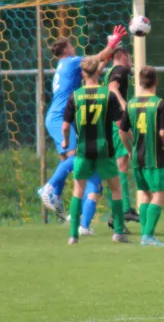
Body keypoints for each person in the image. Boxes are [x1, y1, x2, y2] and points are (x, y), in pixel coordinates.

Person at [38, 26, 127, 220]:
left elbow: (93, 71)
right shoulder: (71, 62)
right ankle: (50, 187)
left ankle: (57, 196)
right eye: (71, 45)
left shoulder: (65, 66)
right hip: (59, 118)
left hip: (57, 116)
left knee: (70, 158)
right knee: (77, 155)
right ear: (66, 50)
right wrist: (111, 44)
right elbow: (97, 57)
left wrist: (107, 56)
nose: (74, 48)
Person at [62, 57, 127, 245]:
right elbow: (119, 124)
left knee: (78, 190)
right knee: (116, 189)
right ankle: (118, 233)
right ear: (98, 72)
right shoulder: (109, 95)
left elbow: (65, 126)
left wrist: (66, 141)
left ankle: (73, 236)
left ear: (83, 73)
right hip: (104, 150)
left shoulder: (75, 96)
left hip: (83, 151)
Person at [119, 66, 164, 246]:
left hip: (137, 157)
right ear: (156, 81)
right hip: (153, 157)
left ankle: (145, 234)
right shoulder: (160, 104)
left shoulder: (131, 104)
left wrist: (129, 149)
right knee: (159, 194)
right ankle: (147, 236)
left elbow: (122, 131)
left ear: (139, 82)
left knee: (146, 195)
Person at [101, 47, 139, 229]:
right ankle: (124, 209)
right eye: (130, 59)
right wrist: (123, 104)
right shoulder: (121, 70)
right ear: (123, 57)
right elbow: (112, 88)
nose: (131, 63)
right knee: (121, 164)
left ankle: (118, 215)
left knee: (117, 166)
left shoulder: (109, 71)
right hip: (116, 123)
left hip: (108, 123)